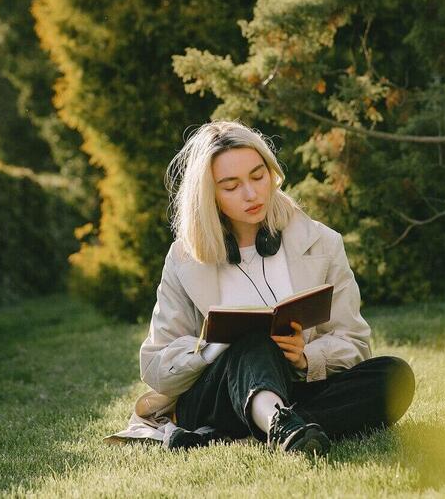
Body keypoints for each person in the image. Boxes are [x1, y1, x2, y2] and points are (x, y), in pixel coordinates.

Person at [108, 121, 414, 455]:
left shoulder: (322, 243)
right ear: (208, 193)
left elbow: (354, 343)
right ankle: (278, 425)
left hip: (295, 387)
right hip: (215, 398)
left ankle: (271, 428)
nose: (252, 194)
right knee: (253, 341)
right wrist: (211, 348)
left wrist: (305, 357)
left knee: (394, 375)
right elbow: (156, 368)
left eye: (258, 176)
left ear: (272, 172)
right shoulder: (184, 258)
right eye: (231, 186)